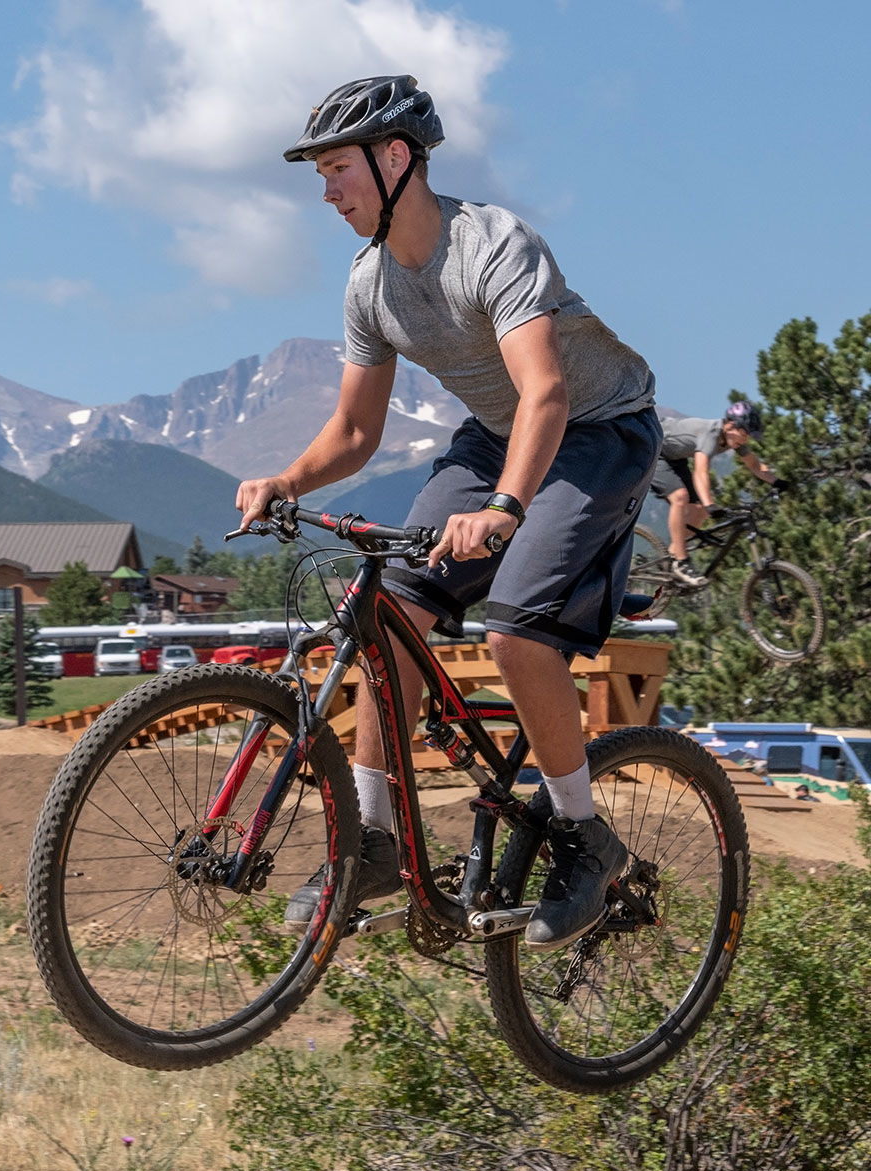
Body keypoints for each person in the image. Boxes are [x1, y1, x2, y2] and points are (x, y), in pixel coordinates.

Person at [235, 75, 662, 951]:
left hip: (595, 431)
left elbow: (546, 393)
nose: (326, 191)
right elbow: (355, 431)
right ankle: (374, 842)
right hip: (496, 433)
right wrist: (287, 480)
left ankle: (584, 835)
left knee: (515, 633)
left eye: (338, 169)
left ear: (397, 160)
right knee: (386, 611)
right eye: (319, 174)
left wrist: (506, 508)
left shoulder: (492, 244)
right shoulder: (369, 284)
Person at [649, 400, 785, 587]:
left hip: (674, 458)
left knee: (700, 510)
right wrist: (709, 503)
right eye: (743, 433)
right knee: (680, 497)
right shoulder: (711, 433)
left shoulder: (733, 439)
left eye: (747, 436)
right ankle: (681, 562)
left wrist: (777, 481)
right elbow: (700, 471)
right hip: (652, 448)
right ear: (729, 425)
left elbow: (754, 465)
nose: (744, 440)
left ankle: (673, 552)